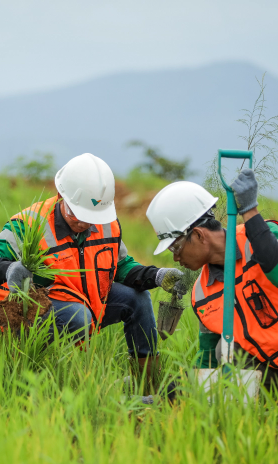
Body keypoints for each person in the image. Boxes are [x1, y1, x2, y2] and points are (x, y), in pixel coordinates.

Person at [0, 153, 186, 376]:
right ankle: (28, 367)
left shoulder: (107, 224)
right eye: (77, 214)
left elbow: (120, 266)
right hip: (41, 307)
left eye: (91, 217)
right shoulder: (29, 224)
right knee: (79, 316)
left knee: (138, 299)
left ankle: (148, 383)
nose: (83, 222)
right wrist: (10, 269)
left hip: (89, 298)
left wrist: (155, 276)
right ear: (61, 196)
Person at [146, 169, 278, 389]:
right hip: (269, 375)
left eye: (175, 247)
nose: (176, 258)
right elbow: (207, 360)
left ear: (198, 235)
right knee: (224, 352)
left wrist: (251, 212)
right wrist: (182, 391)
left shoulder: (263, 237)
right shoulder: (201, 294)